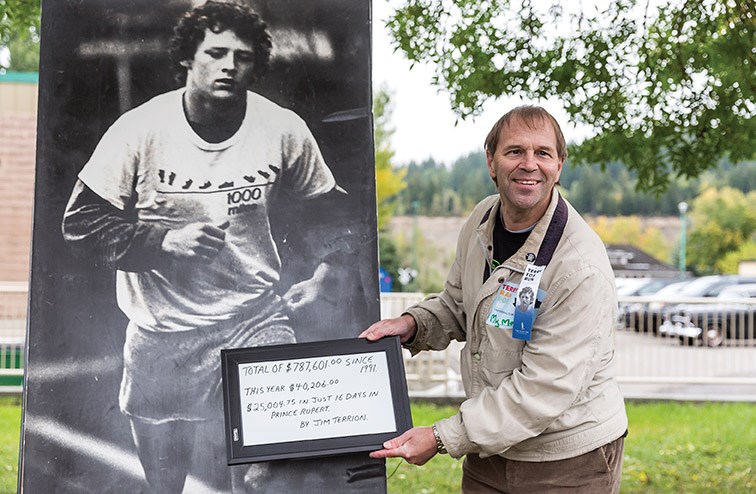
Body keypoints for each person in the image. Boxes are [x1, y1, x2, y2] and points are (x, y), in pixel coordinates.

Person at [62, 2, 343, 491]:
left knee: (264, 478)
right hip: (163, 330)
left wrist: (325, 274)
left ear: (256, 65)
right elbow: (81, 223)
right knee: (166, 483)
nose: (229, 66)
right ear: (188, 59)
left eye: (243, 56)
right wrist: (162, 241)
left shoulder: (282, 128)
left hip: (254, 318)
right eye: (215, 52)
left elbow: (333, 212)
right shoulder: (139, 130)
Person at [361, 105, 628, 493]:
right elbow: (458, 302)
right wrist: (412, 324)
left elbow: (542, 389)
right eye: (514, 151)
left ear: (559, 166)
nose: (529, 164)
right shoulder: (482, 219)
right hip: (490, 450)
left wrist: (441, 437)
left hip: (567, 460)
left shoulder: (579, 266)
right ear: (491, 161)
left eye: (543, 153)